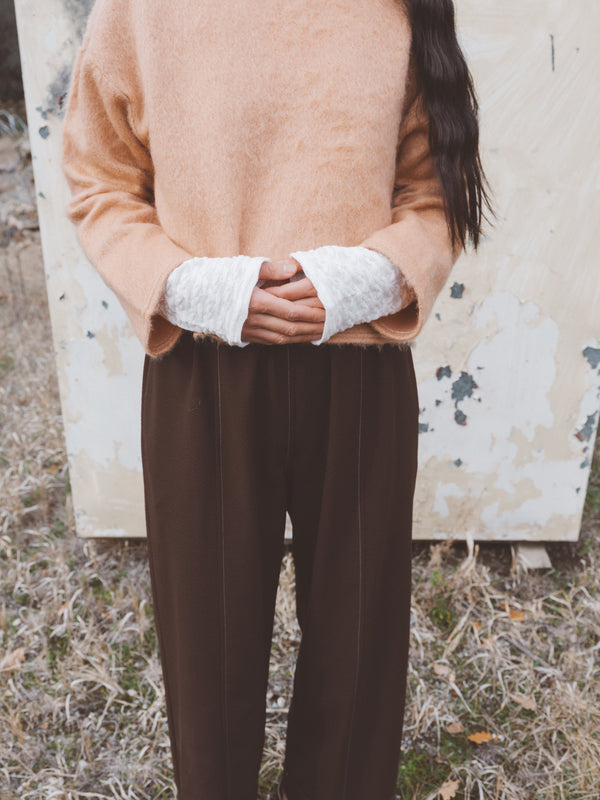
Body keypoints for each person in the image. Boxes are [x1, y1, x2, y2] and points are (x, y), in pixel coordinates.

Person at [60, 0, 494, 798]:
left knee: (359, 647)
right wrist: (193, 287)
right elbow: (99, 176)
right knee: (207, 646)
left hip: (360, 372)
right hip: (202, 372)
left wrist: (361, 280)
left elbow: (436, 192)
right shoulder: (142, 10)